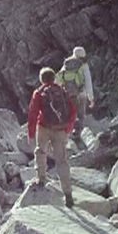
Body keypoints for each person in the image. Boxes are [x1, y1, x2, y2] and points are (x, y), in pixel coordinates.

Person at [27, 66, 77, 207]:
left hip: (43, 127)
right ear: (54, 78)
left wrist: (31, 133)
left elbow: (33, 113)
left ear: (41, 80)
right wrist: (67, 129)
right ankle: (67, 193)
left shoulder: (39, 92)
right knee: (62, 160)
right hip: (60, 129)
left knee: (40, 151)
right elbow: (72, 112)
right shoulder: (62, 91)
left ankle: (41, 179)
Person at [57, 46, 96, 147]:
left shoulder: (67, 64)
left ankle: (70, 133)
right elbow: (88, 82)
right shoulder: (84, 65)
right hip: (81, 93)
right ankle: (80, 134)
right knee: (81, 114)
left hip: (69, 94)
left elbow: (59, 78)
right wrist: (91, 98)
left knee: (71, 113)